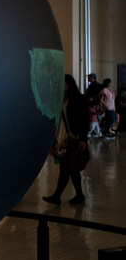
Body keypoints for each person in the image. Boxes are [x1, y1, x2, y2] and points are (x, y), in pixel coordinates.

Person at [43, 75, 89, 205]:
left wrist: (82, 139)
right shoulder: (60, 100)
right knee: (72, 169)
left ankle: (57, 196)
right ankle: (79, 195)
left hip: (73, 139)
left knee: (66, 169)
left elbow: (84, 121)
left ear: (69, 84)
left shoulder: (79, 100)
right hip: (63, 139)